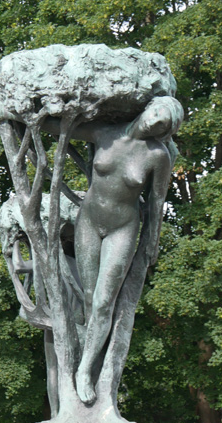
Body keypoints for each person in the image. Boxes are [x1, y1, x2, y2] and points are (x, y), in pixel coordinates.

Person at [68, 96, 183, 403]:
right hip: (89, 222)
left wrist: (152, 242)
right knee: (90, 300)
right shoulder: (106, 132)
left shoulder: (157, 156)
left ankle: (84, 370)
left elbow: (157, 202)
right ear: (147, 107)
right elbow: (61, 129)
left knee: (106, 301)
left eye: (164, 122)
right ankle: (87, 364)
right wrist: (10, 114)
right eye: (157, 111)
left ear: (165, 132)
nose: (156, 119)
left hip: (123, 228)